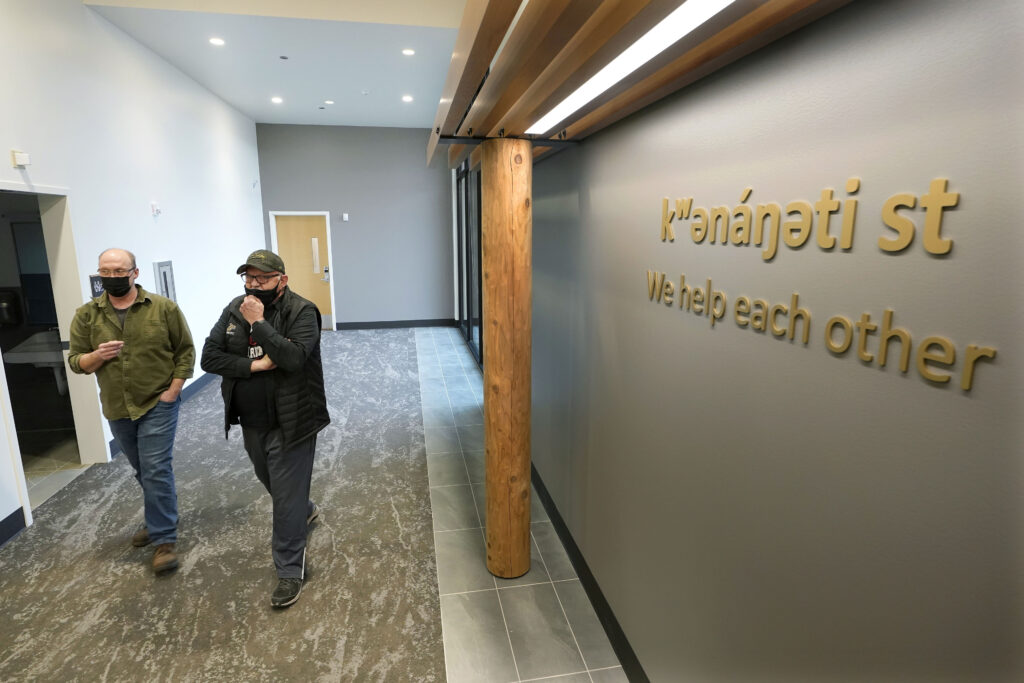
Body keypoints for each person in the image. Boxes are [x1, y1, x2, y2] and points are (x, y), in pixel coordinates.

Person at [200, 249, 329, 608]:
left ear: (281, 280)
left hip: (293, 420)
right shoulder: (233, 308)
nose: (254, 285)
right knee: (270, 479)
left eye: (262, 279)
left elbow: (292, 358)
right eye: (249, 278)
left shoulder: (302, 311)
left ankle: (290, 570)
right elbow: (209, 357)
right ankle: (303, 507)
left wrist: (259, 323)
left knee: (284, 499)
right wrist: (253, 368)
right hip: (251, 420)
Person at [68, 248, 194, 574]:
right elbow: (76, 362)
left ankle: (164, 540)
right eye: (105, 272)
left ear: (134, 273)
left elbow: (185, 350)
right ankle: (159, 519)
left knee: (155, 468)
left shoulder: (163, 309)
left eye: (119, 271)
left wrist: (173, 390)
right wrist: (97, 356)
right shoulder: (86, 316)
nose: (112, 277)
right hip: (117, 406)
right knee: (142, 469)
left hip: (157, 402)